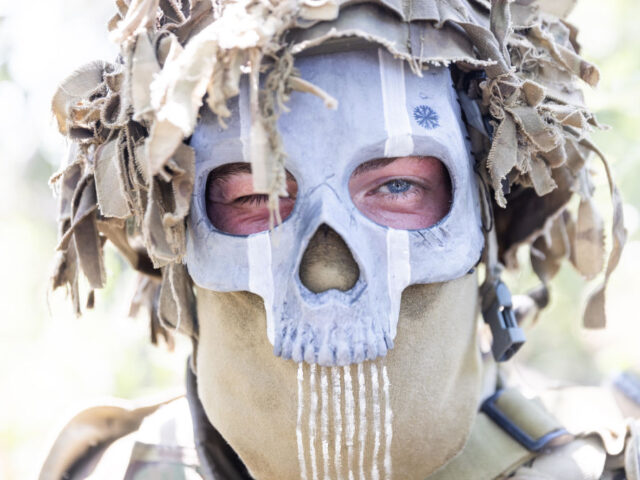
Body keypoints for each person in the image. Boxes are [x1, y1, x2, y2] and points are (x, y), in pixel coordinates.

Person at [41, 0, 640, 479]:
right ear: (178, 238)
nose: (329, 273)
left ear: (482, 218)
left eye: (399, 185)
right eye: (255, 197)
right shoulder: (107, 469)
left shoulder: (607, 462)